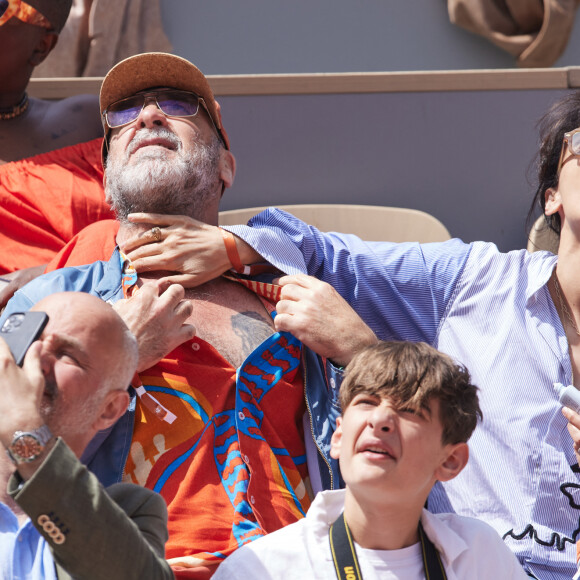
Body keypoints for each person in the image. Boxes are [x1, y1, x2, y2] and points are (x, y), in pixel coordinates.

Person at [74, 91, 580, 578]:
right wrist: (234, 247)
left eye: (179, 107)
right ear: (551, 194)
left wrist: (362, 350)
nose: (149, 119)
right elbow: (315, 250)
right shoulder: (476, 281)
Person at [0, 52, 362, 578]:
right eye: (123, 114)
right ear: (104, 181)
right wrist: (115, 349)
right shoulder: (51, 302)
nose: (147, 116)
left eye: (178, 105)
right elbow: (8, 462)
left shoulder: (302, 296)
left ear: (225, 167)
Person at [214, 341, 528, 580]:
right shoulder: (263, 568)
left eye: (410, 410)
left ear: (450, 461)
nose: (380, 420)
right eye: (366, 402)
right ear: (337, 437)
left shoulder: (479, 555)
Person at [0, 291, 173, 579]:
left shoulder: (132, 511)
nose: (36, 358)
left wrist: (26, 435)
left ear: (109, 409)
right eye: (30, 339)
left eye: (66, 354)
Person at [0, 0, 112, 306]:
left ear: (42, 46)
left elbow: (156, 228)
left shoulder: (90, 121)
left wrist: (54, 275)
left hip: (113, 309)